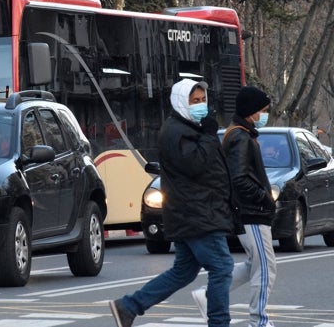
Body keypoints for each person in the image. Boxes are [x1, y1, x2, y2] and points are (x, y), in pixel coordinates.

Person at [109, 79, 239, 327]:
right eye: (195, 101)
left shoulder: (190, 128)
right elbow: (196, 164)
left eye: (203, 100)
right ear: (181, 102)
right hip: (197, 213)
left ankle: (128, 307)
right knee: (222, 267)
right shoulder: (177, 132)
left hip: (196, 212)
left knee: (184, 271)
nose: (201, 105)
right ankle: (219, 323)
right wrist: (210, 136)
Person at [192, 85, 276, 327]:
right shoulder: (240, 137)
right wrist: (264, 198)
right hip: (252, 212)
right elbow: (238, 179)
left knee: (255, 265)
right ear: (251, 111)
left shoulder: (240, 134)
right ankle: (259, 320)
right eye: (262, 110)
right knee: (266, 269)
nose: (264, 115)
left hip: (250, 212)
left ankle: (208, 294)